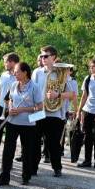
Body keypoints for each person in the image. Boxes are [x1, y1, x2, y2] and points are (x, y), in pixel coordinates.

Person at [0, 61, 43, 186]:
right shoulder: (14, 84)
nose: (14, 74)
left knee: (27, 151)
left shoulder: (35, 87)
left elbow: (40, 107)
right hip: (12, 121)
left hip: (28, 124)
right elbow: (9, 99)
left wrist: (22, 109)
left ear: (25, 73)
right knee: (8, 150)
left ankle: (26, 176)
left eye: (17, 72)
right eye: (14, 72)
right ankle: (4, 178)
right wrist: (10, 108)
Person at [32, 46, 75, 176]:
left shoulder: (61, 73)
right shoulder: (37, 72)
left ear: (54, 57)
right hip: (38, 112)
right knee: (33, 141)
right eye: (41, 56)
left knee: (53, 143)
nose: (43, 58)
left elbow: (72, 94)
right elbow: (31, 90)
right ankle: (32, 168)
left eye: (46, 56)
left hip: (55, 113)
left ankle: (57, 168)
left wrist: (58, 95)